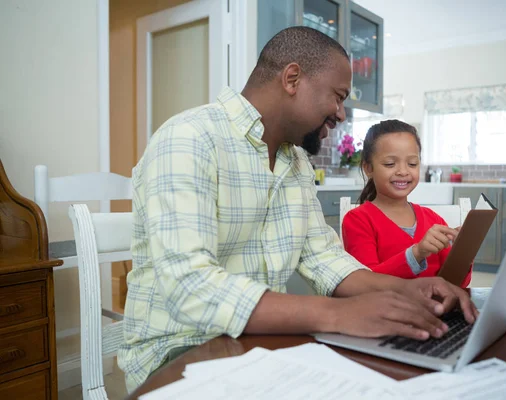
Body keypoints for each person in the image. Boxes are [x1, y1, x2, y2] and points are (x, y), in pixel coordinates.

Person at [118, 27, 477, 392]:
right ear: (292, 78)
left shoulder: (296, 164)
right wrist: (339, 315)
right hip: (178, 354)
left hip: (258, 346)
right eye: (337, 98)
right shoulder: (188, 139)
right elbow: (190, 286)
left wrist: (410, 290)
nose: (340, 115)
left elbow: (325, 260)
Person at [342, 120, 472, 287]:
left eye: (412, 164)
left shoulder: (434, 219)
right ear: (368, 168)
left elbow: (454, 284)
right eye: (390, 164)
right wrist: (416, 253)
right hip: (385, 311)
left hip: (432, 310)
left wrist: (463, 254)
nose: (403, 172)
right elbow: (366, 285)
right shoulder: (357, 220)